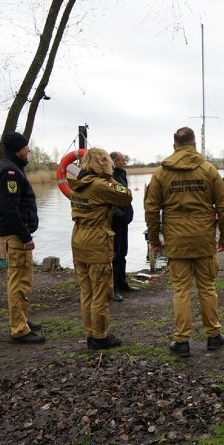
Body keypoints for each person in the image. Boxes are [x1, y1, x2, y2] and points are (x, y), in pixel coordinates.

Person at [144, 126, 224, 357]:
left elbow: (151, 209)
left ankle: (182, 341)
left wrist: (155, 239)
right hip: (203, 238)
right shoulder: (208, 169)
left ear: (174, 146)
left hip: (176, 240)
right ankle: (213, 335)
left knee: (181, 290)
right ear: (194, 145)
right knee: (207, 287)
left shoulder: (162, 173)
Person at [69, 148, 133, 349]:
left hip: (78, 238)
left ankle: (91, 331)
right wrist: (110, 177)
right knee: (101, 292)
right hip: (96, 240)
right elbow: (126, 196)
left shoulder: (78, 184)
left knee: (86, 291)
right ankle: (100, 335)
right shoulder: (101, 185)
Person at [0, 131, 44, 344]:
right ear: (17, 148)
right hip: (16, 234)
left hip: (15, 232)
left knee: (20, 279)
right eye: (26, 146)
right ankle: (19, 329)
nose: (28, 149)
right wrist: (24, 236)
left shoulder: (5, 167)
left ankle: (22, 319)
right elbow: (10, 209)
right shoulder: (10, 172)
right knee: (19, 281)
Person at [109, 151, 139, 302]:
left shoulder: (121, 174)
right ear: (114, 161)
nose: (124, 162)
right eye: (122, 160)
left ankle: (122, 283)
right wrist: (119, 214)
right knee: (115, 255)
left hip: (124, 222)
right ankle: (113, 288)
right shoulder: (109, 177)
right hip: (115, 222)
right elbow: (109, 199)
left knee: (123, 253)